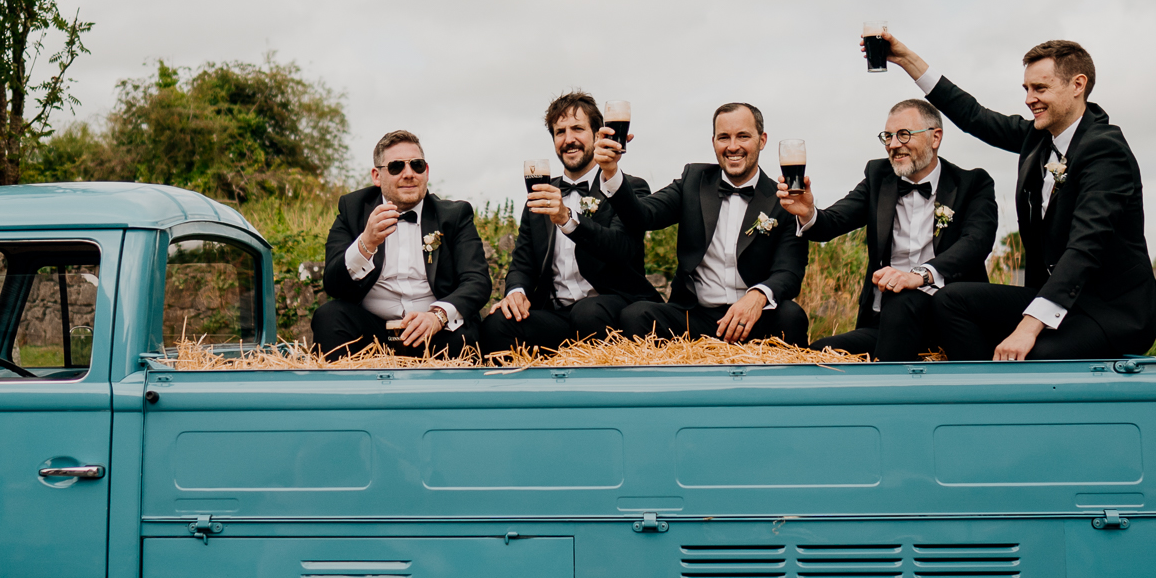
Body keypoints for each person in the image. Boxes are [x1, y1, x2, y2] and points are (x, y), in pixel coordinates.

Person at [879, 36, 1156, 361]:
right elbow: (974, 116)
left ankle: (1004, 398)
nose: (1030, 99)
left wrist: (1027, 328)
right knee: (950, 299)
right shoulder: (1039, 138)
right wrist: (907, 60)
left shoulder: (1105, 151)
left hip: (1107, 312)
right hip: (1052, 299)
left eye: (1040, 89)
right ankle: (983, 398)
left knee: (1028, 354)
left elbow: (1086, 247)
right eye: (1026, 89)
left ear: (1078, 85)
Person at [777, 98, 998, 361]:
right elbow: (832, 222)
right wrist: (808, 212)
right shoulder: (878, 176)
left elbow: (976, 243)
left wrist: (920, 275)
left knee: (902, 300)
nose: (893, 145)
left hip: (949, 321)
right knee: (820, 355)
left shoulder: (972, 183)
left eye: (904, 135)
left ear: (935, 137)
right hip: (885, 324)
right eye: (888, 137)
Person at [608, 103, 810, 344]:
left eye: (743, 136)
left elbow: (789, 271)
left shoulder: (784, 199)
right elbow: (643, 215)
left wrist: (758, 296)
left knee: (792, 317)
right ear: (714, 141)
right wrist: (611, 171)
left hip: (754, 320)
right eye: (724, 137)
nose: (733, 146)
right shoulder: (693, 180)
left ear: (762, 140)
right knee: (635, 316)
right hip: (694, 317)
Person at [482, 93, 660, 355]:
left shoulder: (628, 187)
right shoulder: (541, 194)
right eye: (559, 132)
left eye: (577, 129)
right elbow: (522, 262)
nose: (568, 139)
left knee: (587, 312)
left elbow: (622, 248)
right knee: (496, 324)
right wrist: (516, 292)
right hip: (558, 316)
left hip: (612, 310)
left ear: (598, 135)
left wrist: (567, 219)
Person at [314, 130, 491, 359]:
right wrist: (366, 244)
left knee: (463, 338)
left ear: (426, 172)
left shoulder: (454, 215)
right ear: (377, 176)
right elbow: (334, 284)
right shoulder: (353, 210)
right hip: (373, 332)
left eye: (416, 165)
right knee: (329, 316)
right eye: (397, 167)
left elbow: (477, 281)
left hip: (436, 332)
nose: (409, 174)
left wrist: (437, 316)